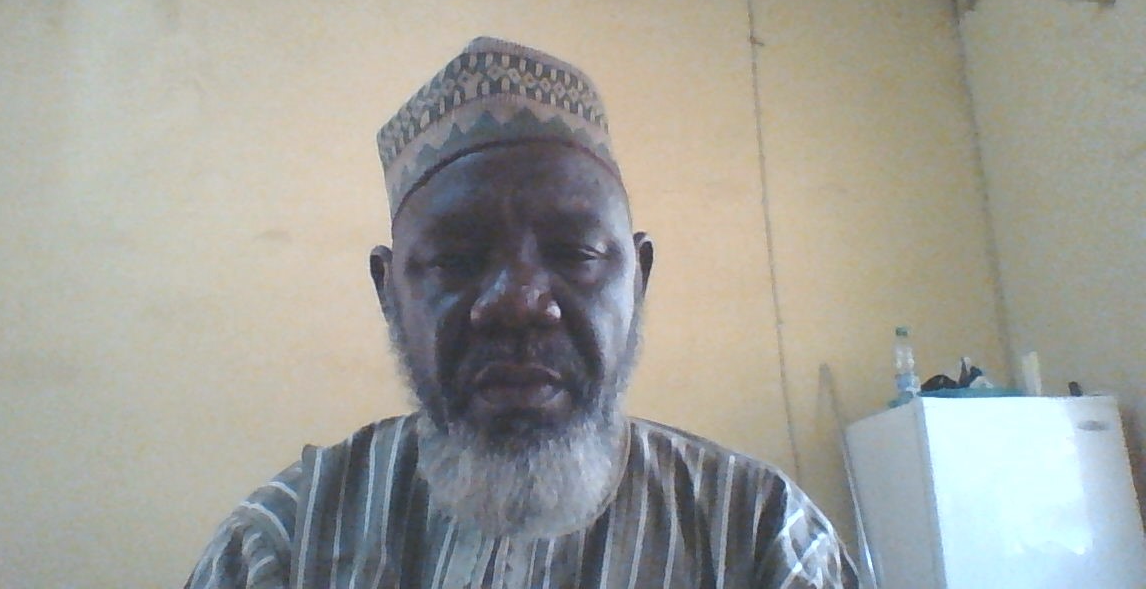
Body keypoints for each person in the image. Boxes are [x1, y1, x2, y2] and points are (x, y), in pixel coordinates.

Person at [184, 37, 858, 588]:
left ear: (639, 277)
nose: (516, 303)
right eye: (455, 260)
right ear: (389, 295)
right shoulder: (280, 545)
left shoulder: (760, 536)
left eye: (575, 252)